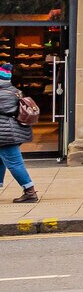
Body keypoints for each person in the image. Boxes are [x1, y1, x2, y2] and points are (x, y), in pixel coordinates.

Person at [0, 63, 36, 203]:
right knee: (1, 160)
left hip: (5, 134)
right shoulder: (14, 91)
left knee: (14, 163)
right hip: (9, 131)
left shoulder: (3, 94)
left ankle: (29, 191)